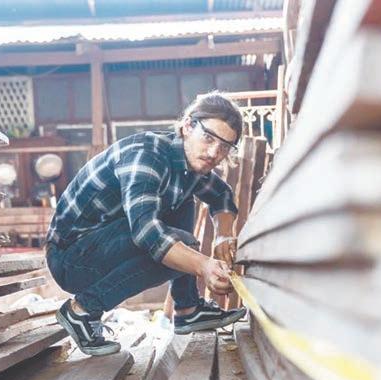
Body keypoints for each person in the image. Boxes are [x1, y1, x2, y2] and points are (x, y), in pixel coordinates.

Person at [45, 91, 247, 356]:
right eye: (208, 138)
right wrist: (202, 265)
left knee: (182, 197)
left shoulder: (189, 163)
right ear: (188, 126)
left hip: (105, 243)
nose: (214, 153)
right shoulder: (146, 155)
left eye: (224, 147)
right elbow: (146, 233)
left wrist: (223, 236)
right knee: (178, 242)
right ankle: (81, 311)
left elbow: (221, 195)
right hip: (71, 261)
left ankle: (188, 310)